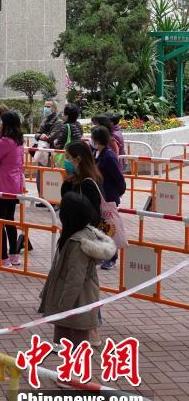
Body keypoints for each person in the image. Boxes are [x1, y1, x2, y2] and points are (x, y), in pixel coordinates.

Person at [38, 192, 116, 345]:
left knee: (75, 346)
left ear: (69, 216)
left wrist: (64, 306)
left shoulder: (78, 243)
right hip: (71, 299)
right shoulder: (76, 234)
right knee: (64, 344)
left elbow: (75, 278)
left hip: (75, 301)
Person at [0, 111, 25, 267]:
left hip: (1, 186)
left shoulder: (5, 142)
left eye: (2, 122)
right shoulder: (19, 141)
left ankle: (3, 257)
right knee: (10, 221)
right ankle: (14, 256)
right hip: (14, 186)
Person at [91, 126, 127, 270]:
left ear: (97, 140)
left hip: (109, 196)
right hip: (101, 195)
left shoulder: (109, 156)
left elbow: (119, 178)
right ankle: (105, 254)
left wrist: (119, 192)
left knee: (110, 227)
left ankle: (112, 257)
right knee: (103, 227)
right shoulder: (99, 153)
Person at [60, 141, 102, 227]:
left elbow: (94, 217)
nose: (65, 161)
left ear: (78, 159)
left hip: (83, 232)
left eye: (67, 157)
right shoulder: (75, 179)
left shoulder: (88, 184)